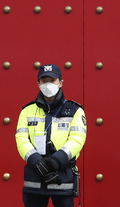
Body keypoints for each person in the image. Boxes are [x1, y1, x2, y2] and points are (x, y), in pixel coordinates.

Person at [15, 64, 87, 207]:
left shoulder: (75, 111)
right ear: (38, 83)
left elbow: (77, 138)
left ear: (60, 82)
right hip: (35, 175)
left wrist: (56, 160)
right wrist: (36, 160)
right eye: (44, 80)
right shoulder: (27, 111)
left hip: (62, 176)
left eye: (52, 80)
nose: (48, 84)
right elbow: (21, 139)